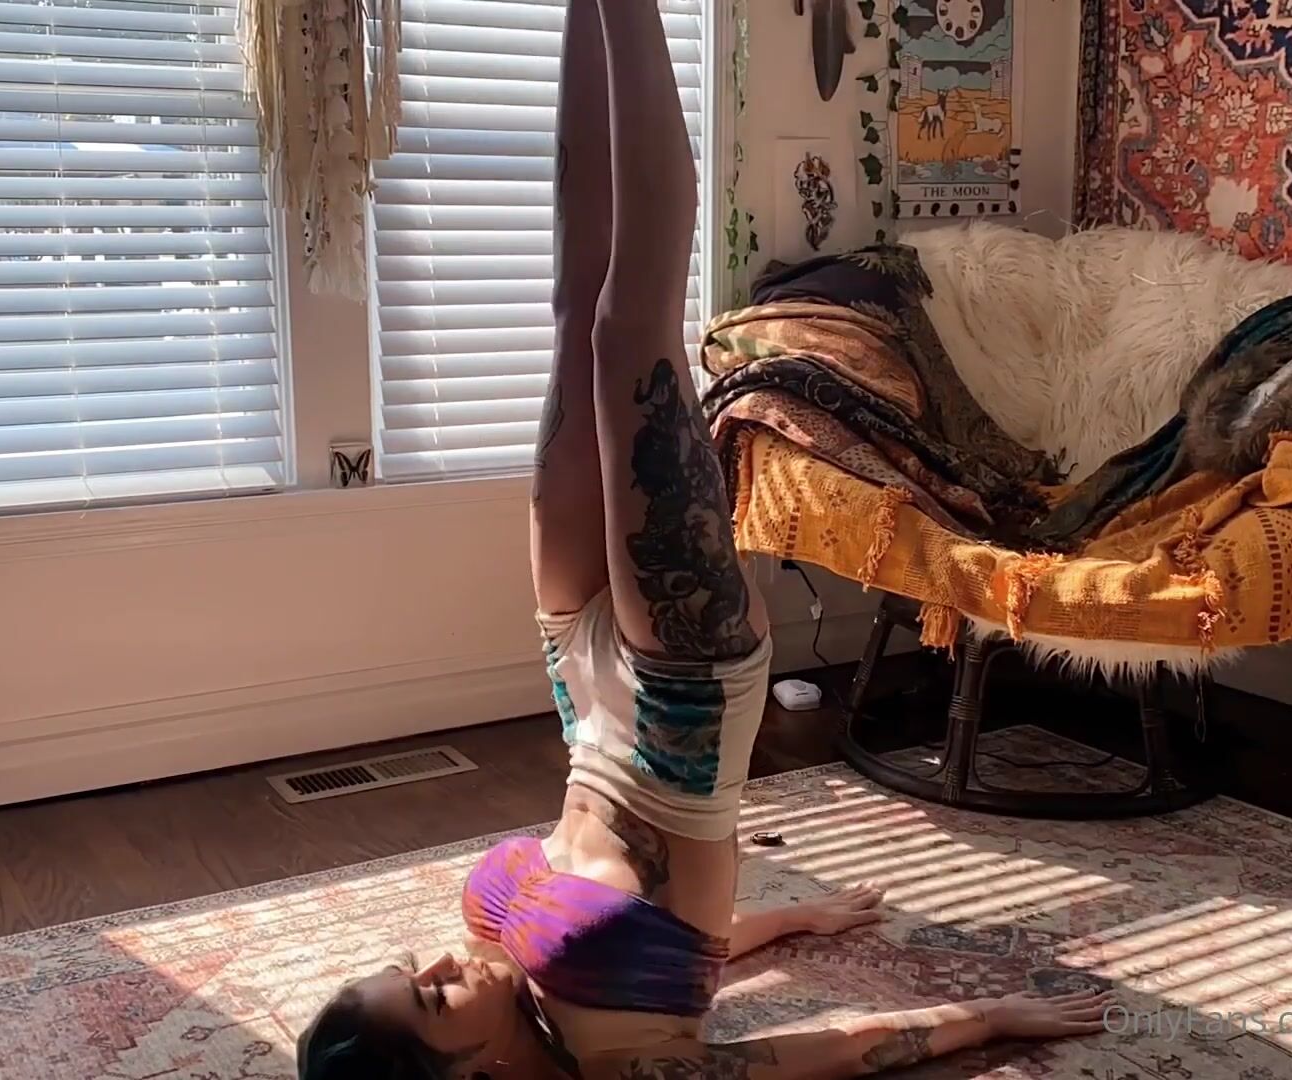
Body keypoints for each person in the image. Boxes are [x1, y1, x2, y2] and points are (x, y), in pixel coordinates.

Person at [295, 0, 1112, 1075]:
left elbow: (696, 946)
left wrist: (795, 921)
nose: (446, 962)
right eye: (434, 998)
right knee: (628, 333)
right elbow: (819, 1054)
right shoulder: (635, 1068)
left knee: (573, 313)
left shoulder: (519, 998)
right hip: (683, 704)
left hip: (581, 690)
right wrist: (985, 1021)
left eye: (416, 968)